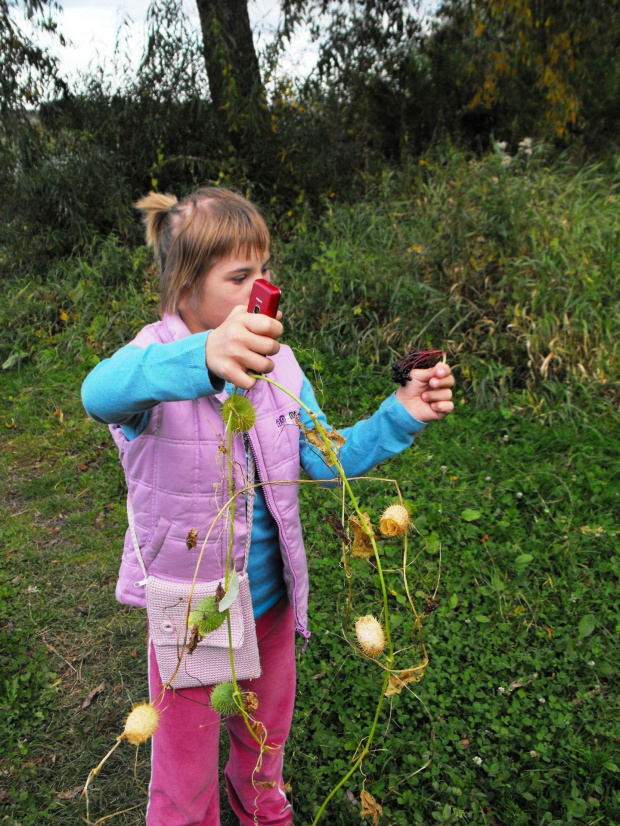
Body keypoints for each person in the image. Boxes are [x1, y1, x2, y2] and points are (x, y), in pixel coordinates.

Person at [81, 187, 455, 826]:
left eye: (266, 268)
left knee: (264, 736)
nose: (265, 288)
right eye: (240, 276)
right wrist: (202, 357)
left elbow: (322, 455)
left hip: (271, 600)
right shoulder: (153, 359)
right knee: (185, 758)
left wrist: (399, 416)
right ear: (183, 287)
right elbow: (100, 392)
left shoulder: (279, 362)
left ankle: (260, 805)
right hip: (193, 611)